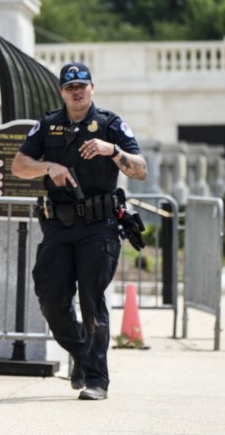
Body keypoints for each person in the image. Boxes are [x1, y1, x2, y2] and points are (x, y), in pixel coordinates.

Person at [11, 62, 146, 401]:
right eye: (70, 87)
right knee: (50, 297)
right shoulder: (48, 124)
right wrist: (49, 166)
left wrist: (111, 150)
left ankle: (97, 379)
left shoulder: (110, 124)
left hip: (98, 227)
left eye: (82, 86)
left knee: (91, 299)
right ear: (62, 92)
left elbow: (141, 169)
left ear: (92, 88)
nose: (77, 91)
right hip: (58, 224)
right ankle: (83, 354)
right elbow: (18, 165)